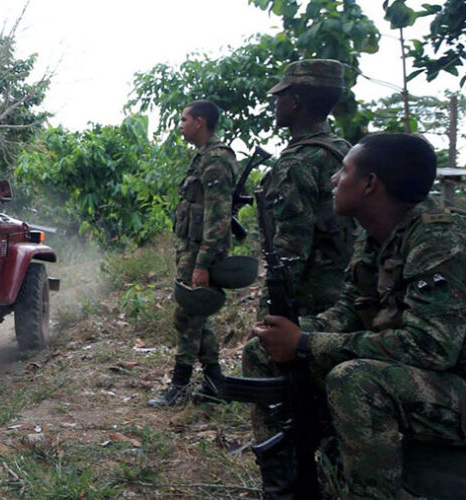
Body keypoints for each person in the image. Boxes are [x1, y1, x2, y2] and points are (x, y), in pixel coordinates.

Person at [247, 134, 466, 499]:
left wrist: (305, 343)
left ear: (369, 184)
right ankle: (289, 488)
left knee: (356, 380)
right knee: (262, 349)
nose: (333, 179)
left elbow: (431, 346)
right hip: (424, 378)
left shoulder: (439, 238)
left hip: (454, 383)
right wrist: (291, 333)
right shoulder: (375, 236)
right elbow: (351, 309)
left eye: (344, 171)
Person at [148, 100, 237, 407]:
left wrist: (203, 263)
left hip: (202, 253)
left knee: (187, 316)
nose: (181, 125)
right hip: (191, 249)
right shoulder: (201, 158)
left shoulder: (217, 159)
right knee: (196, 315)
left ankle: (180, 385)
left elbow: (218, 216)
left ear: (200, 122)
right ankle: (215, 383)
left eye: (184, 119)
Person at [258, 59, 355, 316]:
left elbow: (290, 248)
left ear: (295, 102)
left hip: (311, 300)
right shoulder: (345, 150)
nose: (275, 105)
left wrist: (268, 311)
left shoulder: (296, 162)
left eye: (280, 97)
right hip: (349, 292)